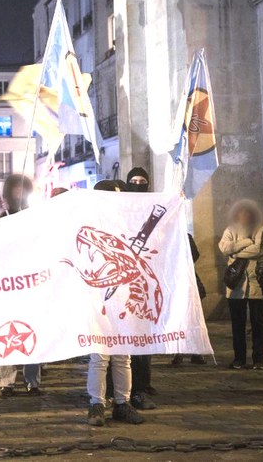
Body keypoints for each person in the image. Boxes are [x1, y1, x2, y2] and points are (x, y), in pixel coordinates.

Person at [86, 180, 143, 426]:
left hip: (123, 300)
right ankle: (96, 404)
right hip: (98, 300)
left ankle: (122, 403)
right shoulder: (89, 227)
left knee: (122, 356)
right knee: (100, 356)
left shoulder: (126, 225)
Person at [0, 174, 42, 397]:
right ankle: (6, 382)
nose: (19, 193)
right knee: (8, 331)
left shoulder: (33, 216)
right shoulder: (2, 215)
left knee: (32, 331)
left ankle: (32, 381)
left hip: (30, 283)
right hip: (6, 284)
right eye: (16, 189)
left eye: (23, 189)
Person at [123, 167, 156, 410]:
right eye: (133, 181)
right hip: (123, 289)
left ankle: (141, 387)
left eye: (142, 182)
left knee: (142, 345)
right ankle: (123, 391)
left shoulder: (153, 207)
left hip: (142, 287)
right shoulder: (120, 210)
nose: (137, 185)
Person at [218, 199, 263, 370]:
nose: (244, 215)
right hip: (236, 285)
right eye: (241, 212)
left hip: (257, 283)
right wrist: (247, 243)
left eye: (248, 212)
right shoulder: (230, 230)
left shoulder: (261, 230)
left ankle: (258, 358)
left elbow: (259, 250)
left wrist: (236, 250)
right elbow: (224, 249)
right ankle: (239, 358)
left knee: (258, 323)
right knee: (237, 324)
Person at [172, 234, 207, 366]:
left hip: (187, 281)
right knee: (181, 319)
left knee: (192, 318)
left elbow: (194, 254)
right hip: (177, 281)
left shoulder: (184, 235)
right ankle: (183, 352)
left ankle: (192, 352)